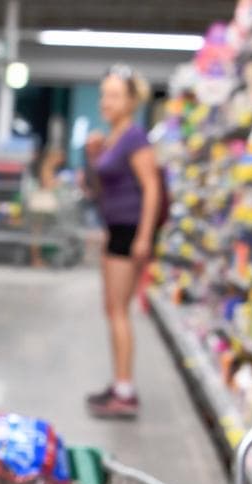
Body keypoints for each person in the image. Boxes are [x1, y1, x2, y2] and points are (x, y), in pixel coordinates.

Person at [83, 65, 161, 419]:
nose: (106, 101)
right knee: (111, 309)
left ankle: (125, 391)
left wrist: (144, 237)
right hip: (115, 229)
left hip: (129, 232)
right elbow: (98, 189)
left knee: (118, 312)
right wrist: (94, 158)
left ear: (131, 101)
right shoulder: (111, 139)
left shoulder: (134, 138)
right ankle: (119, 384)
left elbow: (152, 188)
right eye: (103, 95)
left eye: (114, 95)